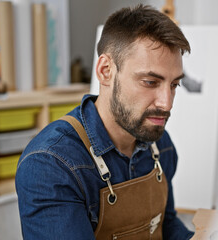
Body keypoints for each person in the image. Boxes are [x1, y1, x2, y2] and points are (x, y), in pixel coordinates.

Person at [15, 4, 193, 240]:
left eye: (174, 85)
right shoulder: (51, 164)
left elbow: (165, 225)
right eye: (150, 82)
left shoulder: (161, 144)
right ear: (105, 70)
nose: (166, 104)